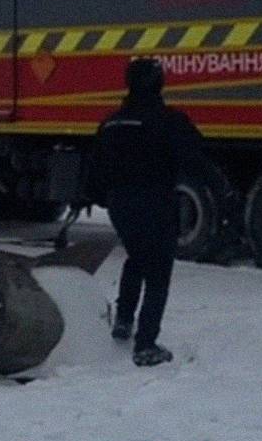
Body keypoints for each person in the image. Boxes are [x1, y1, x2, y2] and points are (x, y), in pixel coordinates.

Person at [85, 58, 214, 366]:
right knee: (158, 272)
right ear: (159, 84)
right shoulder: (169, 120)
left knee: (137, 258)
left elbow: (94, 172)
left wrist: (104, 198)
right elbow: (196, 159)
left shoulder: (112, 123)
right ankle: (146, 344)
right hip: (156, 203)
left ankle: (124, 321)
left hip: (121, 206)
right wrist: (221, 189)